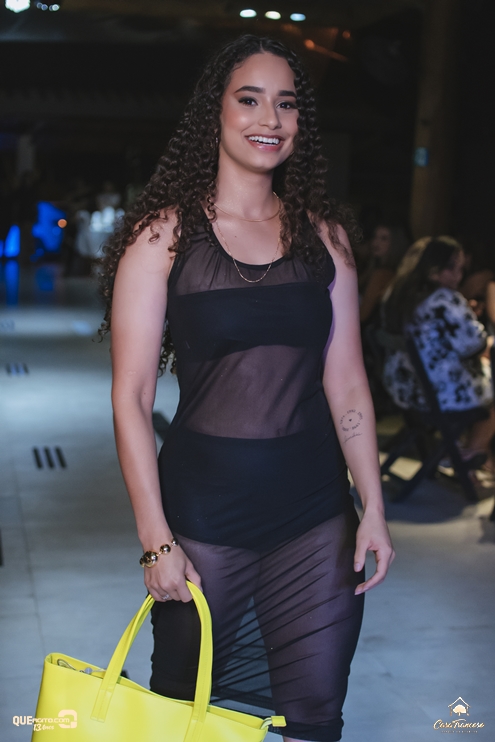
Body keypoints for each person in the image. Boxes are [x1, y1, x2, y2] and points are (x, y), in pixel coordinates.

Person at [100, 35, 395, 742]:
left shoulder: (325, 239)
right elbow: (131, 397)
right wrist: (154, 541)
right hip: (204, 519)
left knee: (317, 714)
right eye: (250, 99)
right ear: (216, 112)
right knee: (181, 713)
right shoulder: (162, 238)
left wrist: (374, 506)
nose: (270, 118)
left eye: (286, 104)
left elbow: (347, 382)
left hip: (314, 516)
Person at [382, 237, 495, 470]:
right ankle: (472, 451)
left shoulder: (399, 293)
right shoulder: (445, 298)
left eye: (461, 269)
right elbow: (475, 344)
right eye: (454, 268)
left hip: (405, 387)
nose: (459, 275)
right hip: (437, 394)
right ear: (435, 270)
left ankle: (462, 450)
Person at [358, 222, 409, 324]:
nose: (376, 242)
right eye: (375, 237)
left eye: (384, 238)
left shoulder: (382, 274)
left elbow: (362, 315)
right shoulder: (373, 269)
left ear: (395, 243)